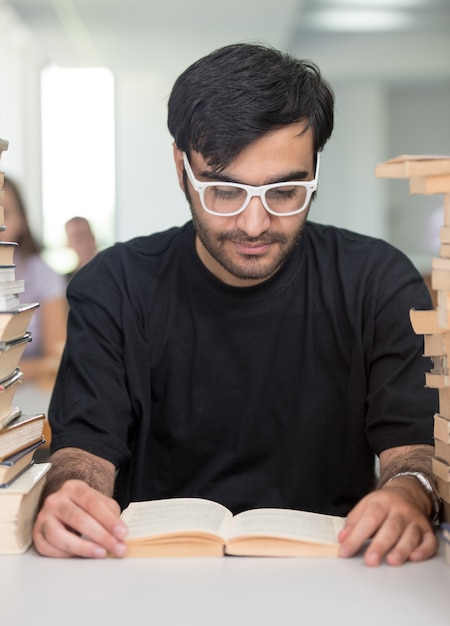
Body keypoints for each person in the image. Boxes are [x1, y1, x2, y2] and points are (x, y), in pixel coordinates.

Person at [33, 43, 440, 566]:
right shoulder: (114, 285)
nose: (254, 224)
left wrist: (409, 494)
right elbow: (83, 450)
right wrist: (73, 495)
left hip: (340, 575)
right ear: (182, 167)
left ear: (315, 169)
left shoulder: (378, 281)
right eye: (224, 192)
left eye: (285, 192)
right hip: (146, 575)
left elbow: (415, 451)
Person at [1, 177, 67, 385]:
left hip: (28, 397)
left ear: (22, 221)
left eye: (4, 212)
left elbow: (56, 359)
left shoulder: (43, 276)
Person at [64, 216, 98, 280]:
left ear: (93, 238)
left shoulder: (114, 273)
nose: (83, 241)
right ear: (68, 244)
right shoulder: (64, 282)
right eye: (76, 238)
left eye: (85, 234)